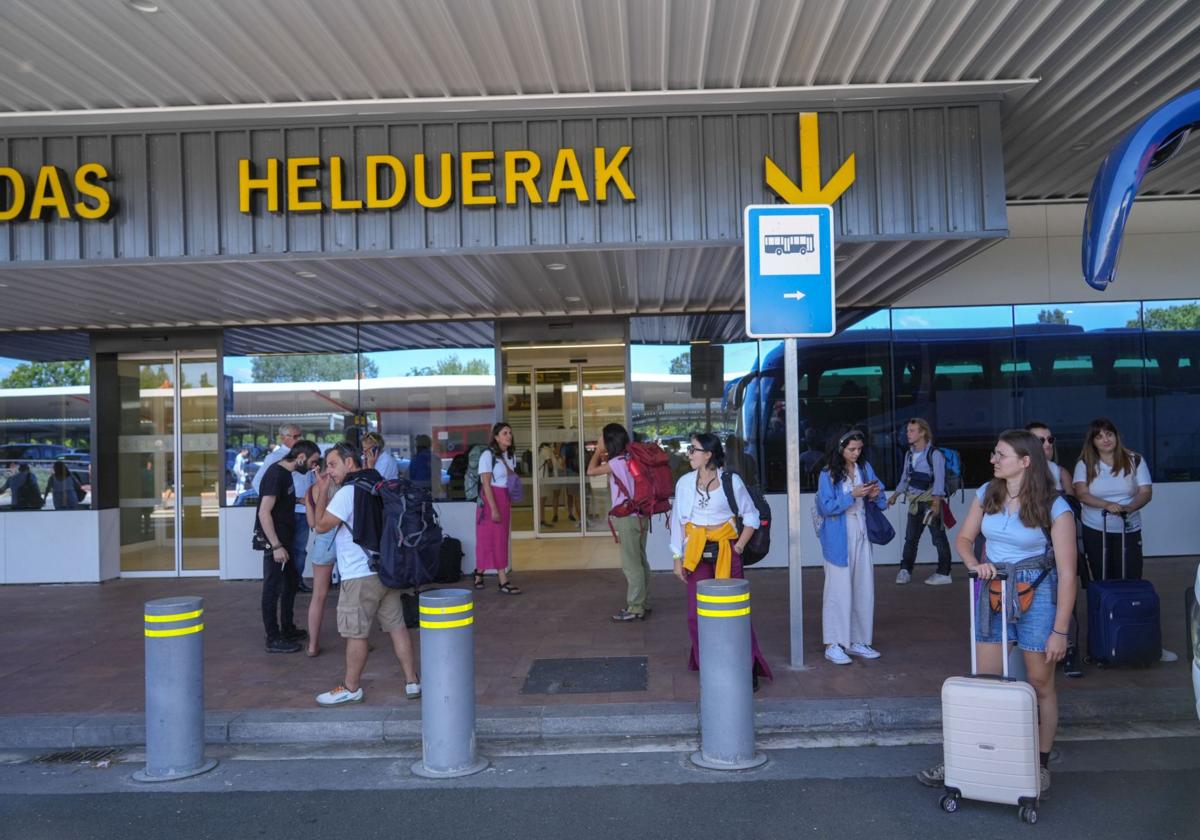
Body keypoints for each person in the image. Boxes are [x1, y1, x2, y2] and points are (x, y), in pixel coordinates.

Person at [918, 429, 1077, 795]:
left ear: (1025, 461)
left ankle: (1039, 764)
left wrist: (1060, 630)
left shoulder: (1055, 506)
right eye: (994, 453)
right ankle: (966, 759)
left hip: (1036, 593)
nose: (992, 459)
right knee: (984, 684)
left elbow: (1068, 575)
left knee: (1040, 684)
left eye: (1000, 455)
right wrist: (975, 563)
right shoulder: (987, 493)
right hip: (992, 592)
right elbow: (963, 538)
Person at [312, 442, 421, 705]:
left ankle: (351, 687)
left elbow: (320, 526)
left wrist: (323, 492)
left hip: (359, 574)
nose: (329, 472)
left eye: (333, 465)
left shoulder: (347, 492)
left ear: (350, 463)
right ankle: (412, 681)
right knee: (397, 628)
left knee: (356, 634)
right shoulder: (379, 482)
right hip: (386, 570)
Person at [669, 432, 772, 688]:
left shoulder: (730, 481)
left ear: (709, 454)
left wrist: (738, 547)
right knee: (696, 615)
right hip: (695, 554)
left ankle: (746, 666)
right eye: (690, 450)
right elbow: (677, 523)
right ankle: (710, 665)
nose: (689, 454)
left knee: (735, 614)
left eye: (693, 450)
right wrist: (676, 557)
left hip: (726, 552)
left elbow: (752, 517)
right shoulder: (684, 483)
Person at [1072, 417, 1176, 662]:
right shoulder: (1084, 463)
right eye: (1099, 436)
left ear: (1117, 436)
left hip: (1129, 528)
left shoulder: (1134, 459)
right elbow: (1081, 493)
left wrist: (1129, 507)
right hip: (1097, 528)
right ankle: (1102, 644)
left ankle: (1141, 641)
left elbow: (1145, 492)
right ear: (1093, 441)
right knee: (1102, 583)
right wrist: (1107, 505)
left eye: (1109, 434)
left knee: (1133, 580)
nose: (1106, 439)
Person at [816, 430, 885, 665]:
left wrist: (875, 495)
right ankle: (834, 643)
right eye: (852, 449)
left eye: (859, 448)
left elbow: (882, 498)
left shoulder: (864, 469)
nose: (856, 453)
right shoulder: (827, 474)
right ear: (840, 449)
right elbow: (826, 507)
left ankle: (858, 640)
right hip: (838, 536)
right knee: (837, 590)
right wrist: (851, 494)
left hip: (862, 532)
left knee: (863, 587)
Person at [1026, 420, 1082, 676]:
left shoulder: (1059, 472)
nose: (1046, 444)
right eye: (1040, 440)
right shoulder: (1017, 472)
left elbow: (1073, 507)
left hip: (1055, 547)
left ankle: (1069, 651)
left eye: (1050, 440)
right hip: (1029, 554)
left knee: (1065, 594)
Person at [256, 439, 320, 654]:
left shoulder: (286, 475)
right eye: (312, 462)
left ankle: (288, 628)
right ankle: (273, 638)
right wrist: (276, 546)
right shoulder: (276, 475)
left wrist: (302, 501)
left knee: (291, 584)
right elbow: (264, 512)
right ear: (300, 458)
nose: (313, 466)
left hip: (285, 540)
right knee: (272, 589)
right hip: (276, 543)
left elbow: (282, 502)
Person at [587, 423, 650, 621]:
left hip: (627, 518)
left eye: (602, 438)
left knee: (631, 564)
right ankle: (642, 602)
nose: (599, 440)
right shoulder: (631, 458)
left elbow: (591, 470)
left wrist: (597, 451)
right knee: (640, 561)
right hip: (641, 515)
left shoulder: (617, 462)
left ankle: (635, 607)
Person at [888, 418, 953, 585]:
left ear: (922, 432)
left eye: (912, 431)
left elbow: (939, 480)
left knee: (938, 538)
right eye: (908, 431)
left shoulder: (934, 454)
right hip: (915, 503)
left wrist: (936, 503)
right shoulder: (909, 454)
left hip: (930, 502)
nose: (908, 434)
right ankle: (905, 570)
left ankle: (944, 572)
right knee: (911, 538)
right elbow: (905, 478)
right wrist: (895, 495)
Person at [253, 423, 315, 593]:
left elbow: (310, 482)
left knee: (300, 551)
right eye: (295, 436)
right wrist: (276, 500)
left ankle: (296, 581)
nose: (299, 439)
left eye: (300, 436)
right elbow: (258, 482)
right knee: (282, 549)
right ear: (283, 438)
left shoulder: (304, 456)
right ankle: (281, 585)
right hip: (283, 513)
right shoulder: (274, 459)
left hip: (302, 511)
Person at [473, 422, 523, 594]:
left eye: (510, 432)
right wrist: (493, 508)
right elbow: (486, 484)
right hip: (491, 500)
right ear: (496, 437)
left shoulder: (510, 455)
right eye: (504, 433)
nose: (509, 436)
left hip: (504, 499)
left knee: (497, 538)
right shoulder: (487, 455)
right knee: (491, 539)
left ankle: (479, 573)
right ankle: (503, 581)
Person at [302, 455, 338, 658]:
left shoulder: (311, 491)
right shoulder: (343, 488)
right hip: (344, 543)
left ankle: (312, 645)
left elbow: (312, 523)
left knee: (319, 595)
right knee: (350, 595)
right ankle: (357, 640)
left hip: (323, 543)